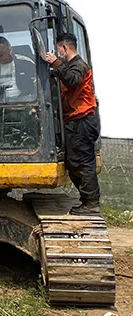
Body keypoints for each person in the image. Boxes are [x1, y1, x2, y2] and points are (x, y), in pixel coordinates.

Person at [44, 32, 101, 215]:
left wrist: (55, 62)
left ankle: (91, 204)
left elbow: (71, 79)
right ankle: (88, 201)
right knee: (75, 162)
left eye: (58, 49)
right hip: (75, 121)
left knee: (83, 163)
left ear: (64, 48)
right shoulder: (70, 66)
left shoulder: (79, 65)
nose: (57, 52)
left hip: (82, 121)